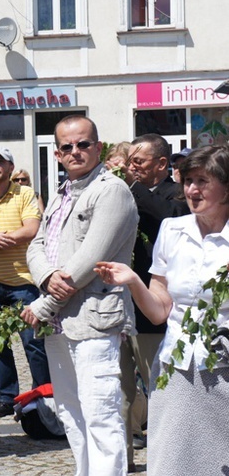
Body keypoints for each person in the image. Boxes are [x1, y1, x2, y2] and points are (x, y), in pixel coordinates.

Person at [94, 144, 229, 476]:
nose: (192, 190)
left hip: (223, 363)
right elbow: (159, 311)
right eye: (188, 181)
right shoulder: (173, 232)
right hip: (177, 366)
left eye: (202, 181)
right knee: (173, 458)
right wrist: (133, 282)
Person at [21, 115, 138, 476]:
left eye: (83, 144)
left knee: (101, 413)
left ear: (98, 147)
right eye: (67, 147)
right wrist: (47, 276)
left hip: (94, 318)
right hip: (60, 323)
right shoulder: (61, 192)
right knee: (71, 412)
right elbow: (35, 245)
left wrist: (44, 302)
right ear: (57, 153)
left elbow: (92, 258)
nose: (75, 151)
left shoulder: (111, 190)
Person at [119, 133, 190, 469]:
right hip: (119, 305)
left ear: (162, 164)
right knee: (119, 389)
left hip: (153, 307)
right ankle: (121, 458)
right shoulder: (124, 192)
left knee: (156, 383)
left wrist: (130, 189)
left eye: (139, 161)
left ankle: (166, 458)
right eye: (130, 160)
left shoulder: (176, 196)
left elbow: (167, 218)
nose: (132, 167)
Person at [0, 148, 50, 419]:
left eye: (0, 161)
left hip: (24, 282)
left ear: (10, 167)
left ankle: (43, 395)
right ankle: (7, 397)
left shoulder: (25, 193)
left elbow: (32, 229)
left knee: (34, 342)